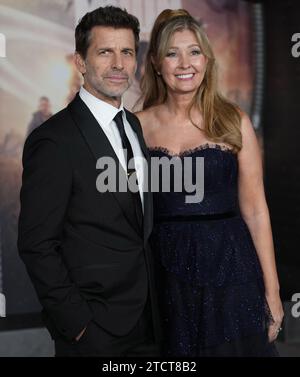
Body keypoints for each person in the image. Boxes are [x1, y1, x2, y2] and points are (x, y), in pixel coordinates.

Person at [136, 9, 284, 357]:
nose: (184, 62)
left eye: (194, 51)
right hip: (164, 277)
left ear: (206, 60)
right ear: (157, 63)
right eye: (172, 53)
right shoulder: (135, 126)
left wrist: (273, 292)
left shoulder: (234, 122)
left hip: (232, 272)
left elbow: (256, 211)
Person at [18, 6, 161, 357]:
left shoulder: (133, 125)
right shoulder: (54, 140)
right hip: (94, 331)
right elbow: (36, 244)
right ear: (81, 62)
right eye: (104, 52)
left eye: (126, 52)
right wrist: (79, 325)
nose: (118, 64)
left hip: (150, 322)